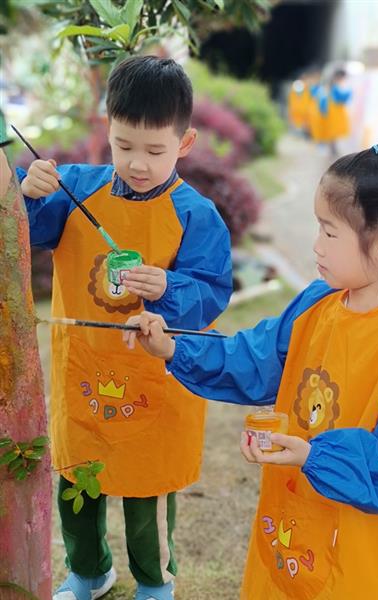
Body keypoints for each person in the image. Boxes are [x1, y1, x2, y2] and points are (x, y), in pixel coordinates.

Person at [124, 142, 378, 600]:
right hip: (294, 521)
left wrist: (313, 456)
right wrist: (173, 348)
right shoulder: (317, 303)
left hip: (368, 559)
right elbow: (254, 359)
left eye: (330, 233)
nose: (316, 245)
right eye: (318, 227)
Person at [17, 55, 232, 600]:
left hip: (154, 379)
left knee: (146, 492)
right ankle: (88, 572)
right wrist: (28, 191)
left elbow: (211, 292)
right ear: (106, 131)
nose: (137, 163)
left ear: (184, 143)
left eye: (155, 151)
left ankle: (155, 582)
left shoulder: (196, 214)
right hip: (85, 372)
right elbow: (24, 230)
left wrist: (169, 287)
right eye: (123, 145)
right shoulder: (75, 190)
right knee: (77, 484)